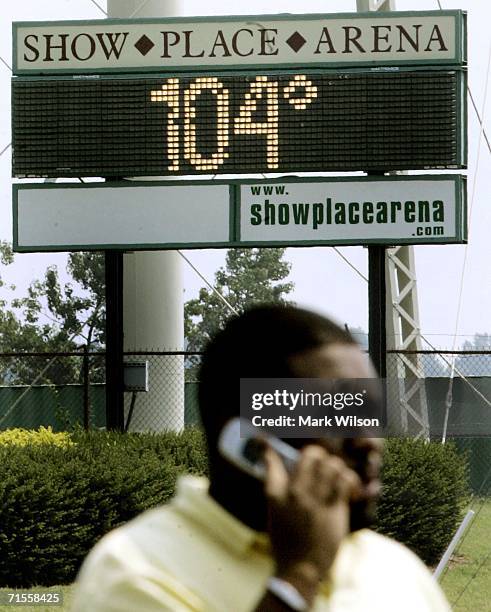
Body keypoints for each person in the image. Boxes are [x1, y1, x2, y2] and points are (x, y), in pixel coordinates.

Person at [72, 305, 450, 611]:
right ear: (250, 441)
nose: (369, 442)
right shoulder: (136, 573)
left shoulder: (393, 566)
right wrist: (298, 577)